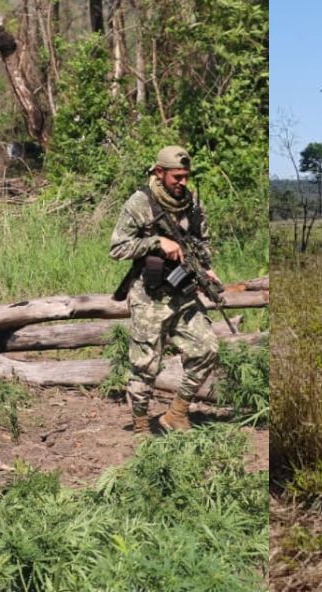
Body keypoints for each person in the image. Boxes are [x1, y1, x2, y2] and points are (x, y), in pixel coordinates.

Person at [109, 145, 221, 435]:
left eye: (186, 176)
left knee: (207, 348)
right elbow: (118, 247)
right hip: (151, 296)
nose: (182, 183)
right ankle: (141, 426)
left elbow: (202, 239)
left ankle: (176, 413)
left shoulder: (191, 202)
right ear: (160, 173)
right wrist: (157, 243)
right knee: (145, 366)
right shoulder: (140, 202)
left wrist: (205, 268)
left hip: (183, 292)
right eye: (176, 177)